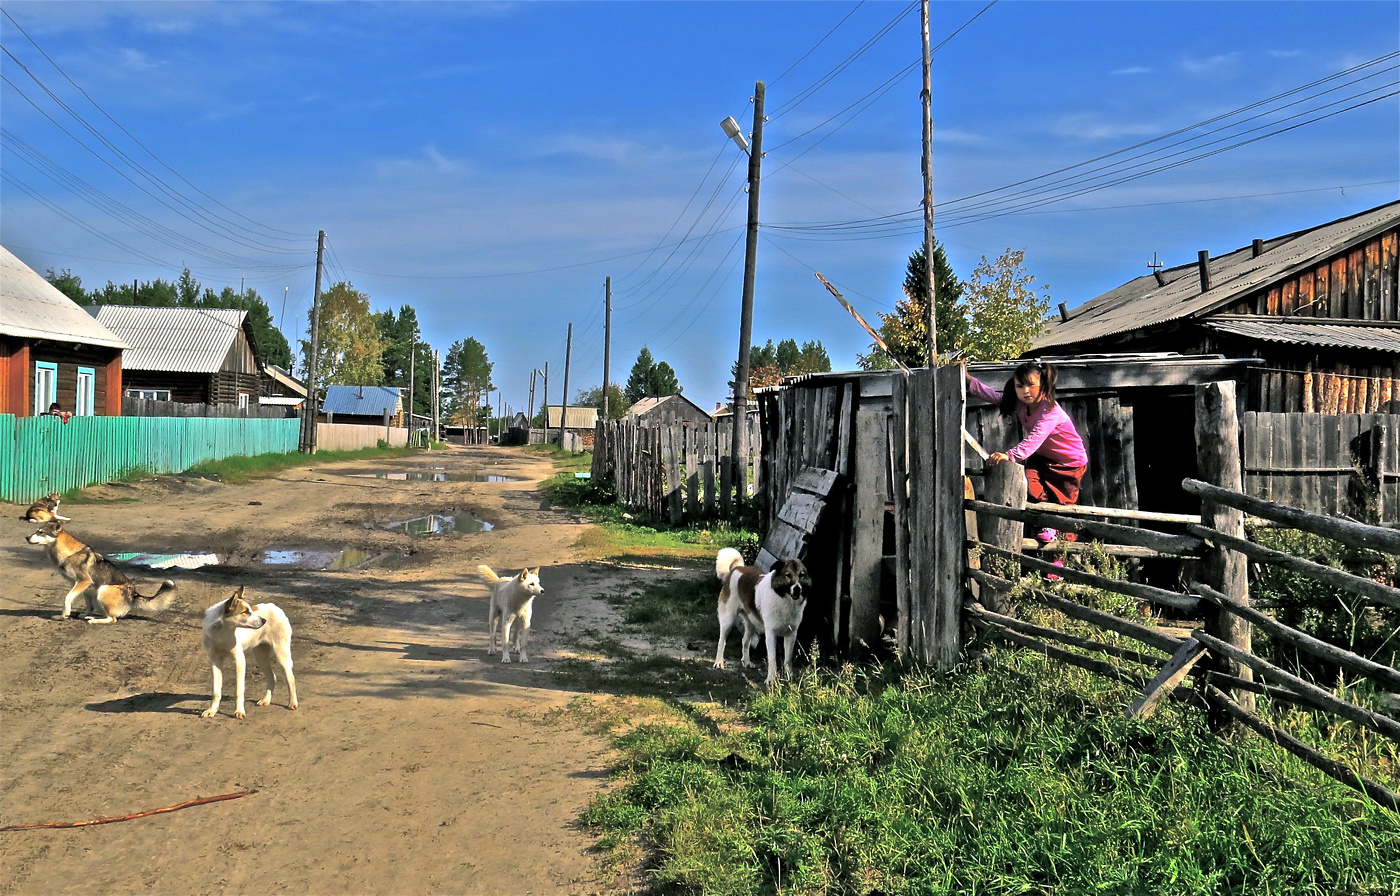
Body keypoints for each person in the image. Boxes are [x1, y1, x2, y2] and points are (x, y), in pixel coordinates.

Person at [966, 361, 1088, 544]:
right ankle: (1047, 523)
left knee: (1065, 506)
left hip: (1069, 463)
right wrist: (968, 380)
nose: (1025, 391)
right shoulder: (1021, 405)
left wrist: (1009, 455)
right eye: (1020, 386)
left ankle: (1061, 557)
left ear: (1043, 385)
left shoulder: (1050, 411)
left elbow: (1035, 439)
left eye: (1031, 384)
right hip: (1043, 458)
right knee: (1030, 486)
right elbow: (993, 396)